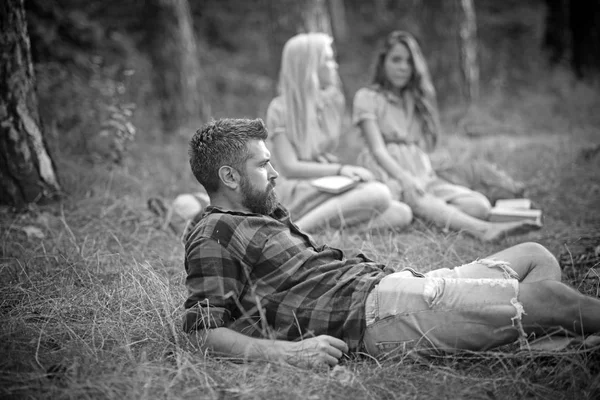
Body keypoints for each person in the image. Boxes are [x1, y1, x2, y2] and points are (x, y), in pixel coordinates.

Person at [183, 117, 600, 368]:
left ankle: (528, 342)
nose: (274, 172)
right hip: (376, 315)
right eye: (263, 164)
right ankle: (532, 330)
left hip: (393, 286)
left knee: (534, 256)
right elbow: (202, 332)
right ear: (230, 177)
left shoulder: (258, 215)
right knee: (552, 300)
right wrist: (290, 354)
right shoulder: (215, 231)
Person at [352, 31, 540, 242]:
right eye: (396, 60)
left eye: (408, 62)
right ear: (382, 61)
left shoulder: (414, 99)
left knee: (479, 205)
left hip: (423, 174)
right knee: (415, 194)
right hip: (388, 172)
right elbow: (378, 150)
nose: (403, 67)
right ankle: (483, 230)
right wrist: (405, 178)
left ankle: (426, 216)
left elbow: (421, 148)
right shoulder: (367, 97)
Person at [265, 33, 412, 233]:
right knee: (378, 193)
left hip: (324, 185)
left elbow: (323, 152)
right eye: (327, 59)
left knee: (401, 212)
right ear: (309, 66)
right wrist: (340, 170)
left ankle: (322, 232)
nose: (334, 65)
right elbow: (290, 167)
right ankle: (293, 232)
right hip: (294, 190)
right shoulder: (280, 108)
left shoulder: (331, 102)